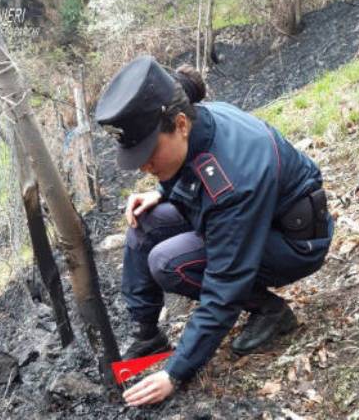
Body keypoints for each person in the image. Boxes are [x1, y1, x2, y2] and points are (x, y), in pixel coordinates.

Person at [95, 55, 334, 406]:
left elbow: (225, 282)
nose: (144, 165)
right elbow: (193, 171)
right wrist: (160, 191)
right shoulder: (192, 121)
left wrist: (176, 371)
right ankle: (148, 336)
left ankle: (271, 311)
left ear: (180, 125)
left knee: (167, 262)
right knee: (144, 223)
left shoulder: (233, 181)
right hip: (254, 218)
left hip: (294, 241)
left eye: (149, 153)